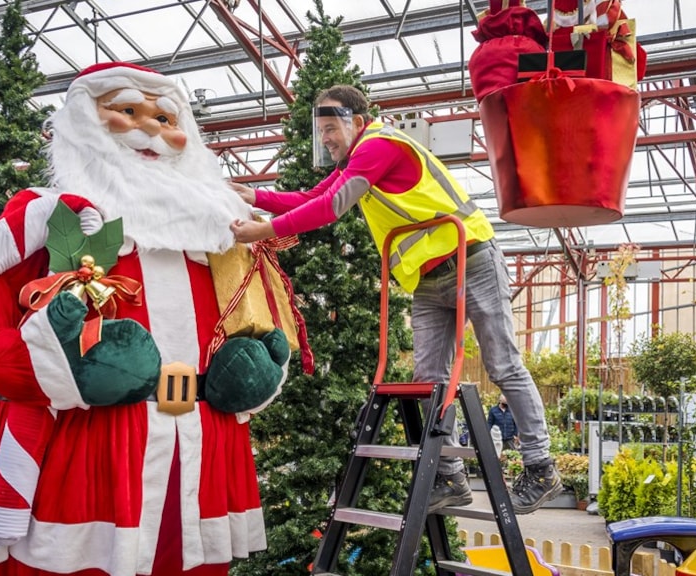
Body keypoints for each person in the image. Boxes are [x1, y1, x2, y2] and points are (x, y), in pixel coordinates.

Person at [0, 62, 294, 576]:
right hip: (92, 446)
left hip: (201, 448)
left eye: (165, 117)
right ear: (83, 123)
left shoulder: (223, 229)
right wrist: (70, 368)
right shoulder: (49, 215)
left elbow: (265, 318)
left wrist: (258, 374)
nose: (150, 128)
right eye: (128, 110)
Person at [229, 84, 561, 514]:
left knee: (502, 364)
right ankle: (450, 476)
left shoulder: (379, 145)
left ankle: (541, 467)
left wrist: (265, 230)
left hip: (471, 259)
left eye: (330, 128)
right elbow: (313, 197)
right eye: (321, 131)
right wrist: (255, 196)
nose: (325, 138)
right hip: (427, 278)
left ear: (356, 121)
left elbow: (331, 206)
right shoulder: (357, 160)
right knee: (428, 378)